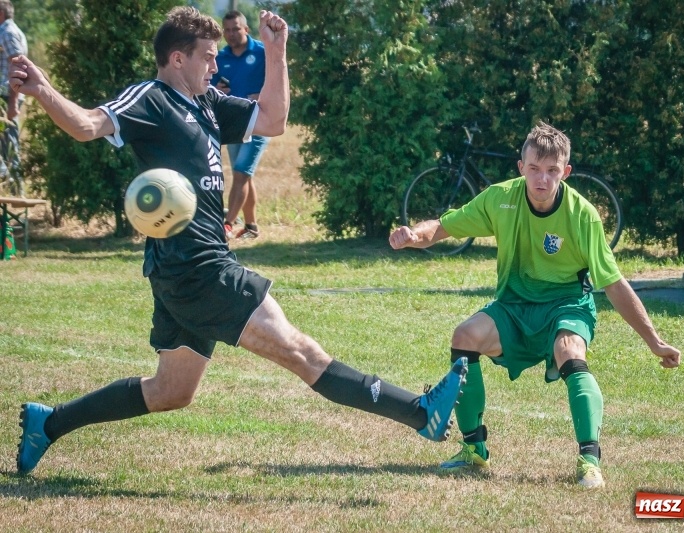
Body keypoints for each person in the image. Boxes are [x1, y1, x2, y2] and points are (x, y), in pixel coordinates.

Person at [13, 7, 467, 476]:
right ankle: (419, 412)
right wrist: (43, 88)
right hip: (199, 270)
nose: (215, 67)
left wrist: (276, 50)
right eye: (207, 58)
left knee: (171, 392)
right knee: (302, 352)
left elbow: (273, 119)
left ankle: (48, 424)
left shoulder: (207, 104)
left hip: (188, 269)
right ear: (176, 59)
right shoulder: (152, 99)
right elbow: (87, 125)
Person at [389, 122, 681, 489]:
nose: (542, 179)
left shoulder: (582, 214)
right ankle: (474, 450)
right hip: (514, 306)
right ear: (520, 167)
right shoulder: (500, 198)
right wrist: (414, 235)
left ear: (566, 172)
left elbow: (614, 283)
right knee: (465, 336)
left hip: (567, 305)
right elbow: (443, 226)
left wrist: (655, 342)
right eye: (534, 169)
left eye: (552, 171)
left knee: (568, 349)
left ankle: (589, 460)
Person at [211, 10, 269, 240]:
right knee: (244, 176)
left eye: (236, 28)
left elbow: (280, 81)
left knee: (241, 172)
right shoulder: (220, 58)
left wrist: (262, 94)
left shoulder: (263, 53)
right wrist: (218, 90)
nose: (232, 33)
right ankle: (252, 226)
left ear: (246, 29)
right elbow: (208, 88)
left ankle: (226, 225)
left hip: (259, 122)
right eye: (227, 30)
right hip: (234, 123)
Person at [0, 0, 27, 183]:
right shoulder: (13, 30)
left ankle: (15, 187)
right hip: (8, 94)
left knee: (9, 144)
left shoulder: (6, 32)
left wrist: (12, 103)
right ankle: (8, 181)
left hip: (6, 95)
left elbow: (17, 64)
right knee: (6, 144)